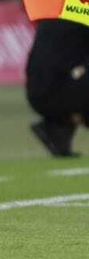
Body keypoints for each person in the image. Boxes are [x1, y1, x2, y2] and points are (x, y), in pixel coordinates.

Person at [26, 18, 89, 159]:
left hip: (36, 92)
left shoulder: (63, 10)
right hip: (56, 92)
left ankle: (57, 130)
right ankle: (61, 124)